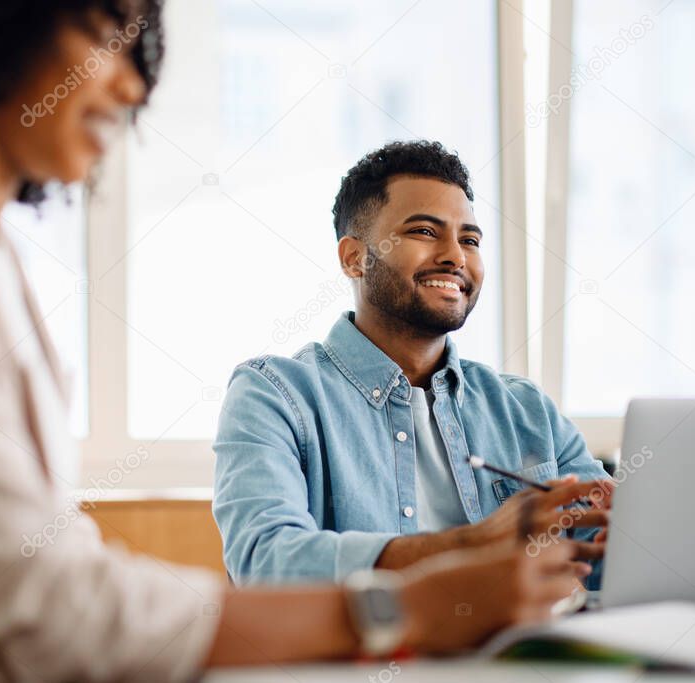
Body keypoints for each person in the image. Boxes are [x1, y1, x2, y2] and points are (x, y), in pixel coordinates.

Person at [0, 2, 591, 681]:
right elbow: (43, 601)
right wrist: (412, 605)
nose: (131, 82)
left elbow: (51, 558)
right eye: (102, 31)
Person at [213, 141, 612, 586]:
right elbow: (266, 563)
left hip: (524, 652)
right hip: (372, 654)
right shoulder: (273, 395)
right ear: (353, 257)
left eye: (470, 240)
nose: (456, 257)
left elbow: (606, 560)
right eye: (424, 231)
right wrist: (477, 544)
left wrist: (644, 532)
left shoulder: (526, 408)